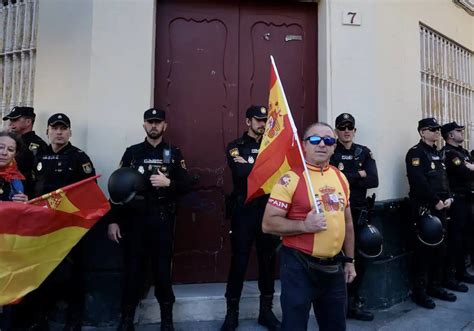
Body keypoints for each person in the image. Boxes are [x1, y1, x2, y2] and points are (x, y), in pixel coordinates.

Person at [263, 122, 356, 331]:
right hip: (299, 267)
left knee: (335, 326)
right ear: (304, 145)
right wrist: (304, 225)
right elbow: (268, 223)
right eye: (315, 140)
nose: (322, 144)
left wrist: (350, 261)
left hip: (334, 268)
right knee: (294, 326)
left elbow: (347, 222)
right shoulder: (290, 179)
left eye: (329, 140)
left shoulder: (340, 177)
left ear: (334, 147)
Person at [107, 108, 191, 331]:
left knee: (162, 271)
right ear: (144, 125)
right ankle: (127, 320)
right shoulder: (132, 153)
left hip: (161, 220)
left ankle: (167, 320)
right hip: (134, 222)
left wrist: (169, 184)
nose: (154, 125)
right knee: (133, 270)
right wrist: (113, 221)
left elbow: (187, 185)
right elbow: (117, 188)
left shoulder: (174, 153)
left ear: (165, 126)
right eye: (150, 122)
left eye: (158, 122)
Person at [27, 113, 96, 330]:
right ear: (47, 130)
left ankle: (73, 322)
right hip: (42, 226)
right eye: (55, 128)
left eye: (63, 128)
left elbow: (90, 192)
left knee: (73, 275)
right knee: (42, 273)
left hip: (69, 226)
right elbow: (30, 188)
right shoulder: (37, 156)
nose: (59, 132)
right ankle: (41, 320)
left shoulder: (79, 157)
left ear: (70, 132)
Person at [221, 106, 281, 331]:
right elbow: (239, 173)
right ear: (248, 122)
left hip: (269, 211)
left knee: (268, 262)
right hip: (244, 212)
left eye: (265, 120)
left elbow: (281, 172)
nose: (262, 124)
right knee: (239, 262)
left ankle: (266, 312)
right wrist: (267, 168)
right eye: (257, 120)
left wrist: (253, 167)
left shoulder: (273, 146)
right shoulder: (236, 146)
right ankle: (232, 313)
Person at [330, 113, 378, 321]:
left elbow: (374, 180)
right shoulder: (331, 152)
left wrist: (347, 177)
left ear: (355, 131)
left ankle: (353, 303)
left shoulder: (364, 152)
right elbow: (331, 179)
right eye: (342, 127)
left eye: (350, 127)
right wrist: (358, 175)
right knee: (336, 259)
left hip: (360, 213)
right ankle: (337, 304)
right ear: (336, 131)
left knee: (359, 260)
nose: (346, 131)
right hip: (336, 212)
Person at [405, 117, 456, 309]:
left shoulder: (438, 153)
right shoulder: (416, 153)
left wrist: (450, 197)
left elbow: (445, 179)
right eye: (432, 129)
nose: (436, 132)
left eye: (437, 129)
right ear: (422, 132)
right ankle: (420, 292)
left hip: (443, 207)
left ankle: (436, 286)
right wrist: (436, 201)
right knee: (424, 251)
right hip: (425, 209)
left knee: (441, 249)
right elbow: (418, 182)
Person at [0, 130, 28, 331]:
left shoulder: (17, 179)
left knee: (9, 291)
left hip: (8, 247)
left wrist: (24, 202)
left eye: (10, 149)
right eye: (0, 147)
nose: (4, 153)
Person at [441, 122, 474, 289]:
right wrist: (469, 168)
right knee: (455, 239)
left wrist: (471, 167)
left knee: (466, 237)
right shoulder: (449, 153)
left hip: (468, 199)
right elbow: (464, 172)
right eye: (458, 131)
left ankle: (462, 272)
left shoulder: (464, 152)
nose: (462, 132)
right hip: (456, 201)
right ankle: (450, 276)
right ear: (450, 135)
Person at [2, 106, 47, 197]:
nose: (11, 123)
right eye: (10, 120)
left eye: (15, 120)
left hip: (26, 194)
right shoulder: (8, 140)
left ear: (28, 122)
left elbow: (41, 176)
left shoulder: (38, 144)